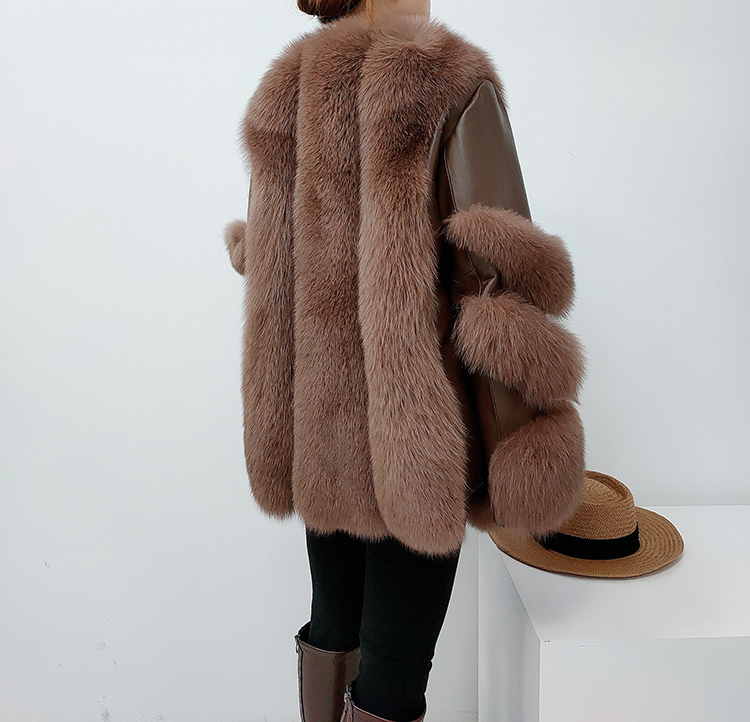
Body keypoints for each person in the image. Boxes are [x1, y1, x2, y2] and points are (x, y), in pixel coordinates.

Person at [223, 0, 587, 720]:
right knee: (391, 679)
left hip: (318, 438)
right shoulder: (443, 76)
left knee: (334, 625)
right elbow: (495, 272)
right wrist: (526, 446)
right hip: (416, 443)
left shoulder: (285, 88)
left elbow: (273, 275)